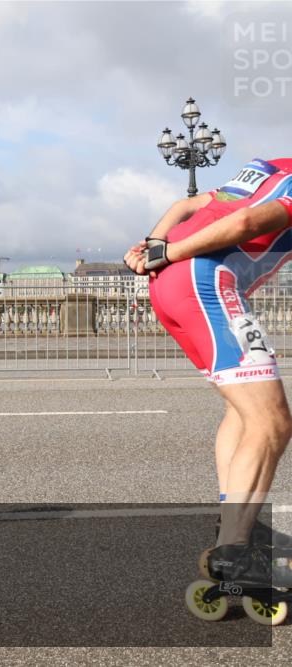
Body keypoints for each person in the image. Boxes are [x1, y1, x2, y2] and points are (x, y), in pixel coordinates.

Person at [124, 157, 292, 581]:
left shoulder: (272, 165)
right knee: (272, 421)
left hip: (172, 286)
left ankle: (234, 527)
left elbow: (188, 205)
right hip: (205, 279)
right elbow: (245, 224)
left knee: (242, 411)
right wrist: (170, 251)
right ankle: (236, 551)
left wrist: (153, 246)